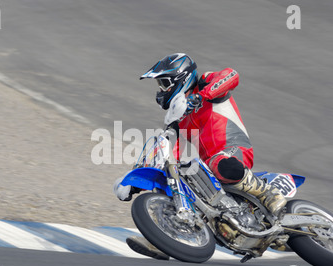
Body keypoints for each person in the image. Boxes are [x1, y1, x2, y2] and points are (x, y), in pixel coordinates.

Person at [115, 52, 286, 217]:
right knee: (176, 177)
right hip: (209, 167)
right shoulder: (178, 120)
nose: (161, 90)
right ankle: (166, 228)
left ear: (179, 79)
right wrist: (134, 183)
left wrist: (199, 97)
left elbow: (232, 75)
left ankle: (269, 193)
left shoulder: (205, 84)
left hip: (234, 149)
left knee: (219, 164)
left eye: (164, 84)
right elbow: (165, 154)